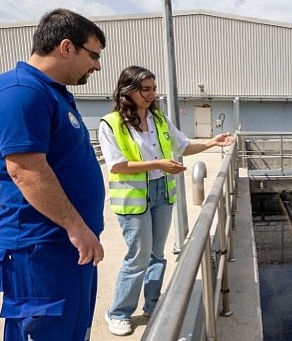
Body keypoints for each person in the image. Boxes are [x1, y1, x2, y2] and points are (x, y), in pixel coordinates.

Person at [0, 9, 106, 340]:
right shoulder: (20, 92)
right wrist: (77, 227)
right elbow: (26, 170)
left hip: (64, 246)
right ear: (66, 48)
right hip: (40, 249)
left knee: (70, 331)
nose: (97, 66)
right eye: (94, 55)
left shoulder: (51, 93)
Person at [99, 66, 234, 336]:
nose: (150, 94)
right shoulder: (111, 123)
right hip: (134, 198)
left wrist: (212, 143)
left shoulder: (158, 119)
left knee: (156, 256)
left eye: (153, 89)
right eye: (144, 89)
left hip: (162, 193)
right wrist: (158, 163)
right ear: (128, 90)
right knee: (137, 257)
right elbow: (117, 165)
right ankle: (118, 312)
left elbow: (183, 146)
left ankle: (152, 304)